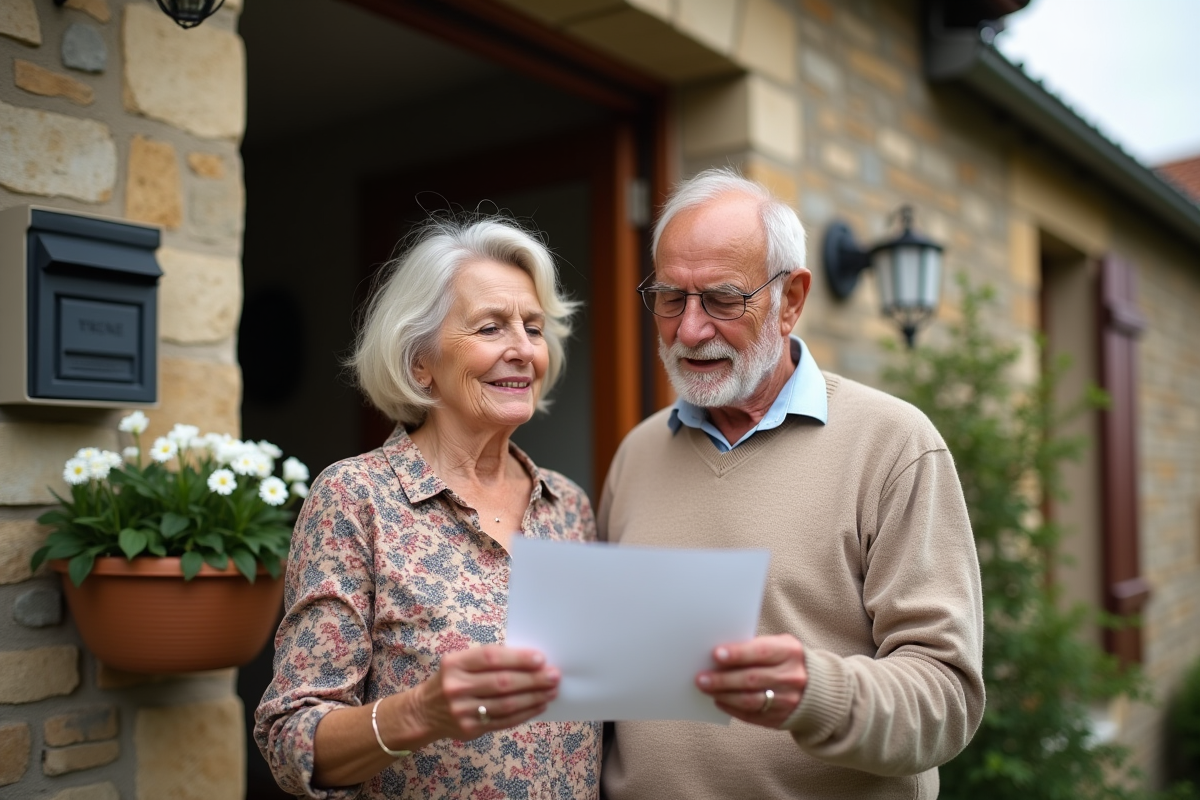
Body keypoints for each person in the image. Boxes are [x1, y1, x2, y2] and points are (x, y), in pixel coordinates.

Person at [599, 169, 984, 799]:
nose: (690, 330)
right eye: (671, 298)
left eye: (723, 299)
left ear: (792, 301)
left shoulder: (892, 444)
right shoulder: (637, 454)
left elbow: (946, 698)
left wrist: (815, 693)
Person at [255, 217, 601, 799]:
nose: (522, 349)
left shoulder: (568, 505)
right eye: (491, 327)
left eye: (534, 328)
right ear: (421, 362)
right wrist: (419, 713)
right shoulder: (355, 498)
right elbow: (290, 741)